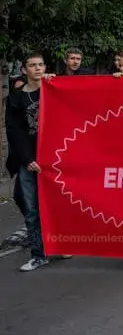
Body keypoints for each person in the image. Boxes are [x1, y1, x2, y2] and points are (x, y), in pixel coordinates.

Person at [6, 54, 67, 272]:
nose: (38, 69)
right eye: (32, 65)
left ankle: (59, 243)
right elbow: (14, 132)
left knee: (56, 205)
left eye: (41, 65)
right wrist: (28, 159)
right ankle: (38, 254)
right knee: (31, 209)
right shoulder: (16, 98)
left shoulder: (53, 89)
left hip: (55, 159)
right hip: (30, 161)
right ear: (24, 70)